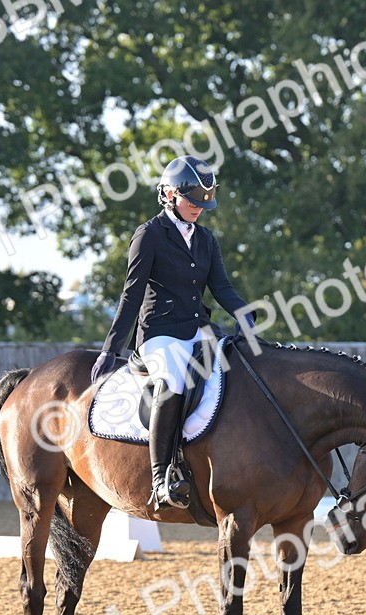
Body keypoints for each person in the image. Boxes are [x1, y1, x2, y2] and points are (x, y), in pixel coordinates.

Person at [90, 155, 255, 511]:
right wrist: (110, 349)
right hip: (160, 332)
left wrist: (244, 314)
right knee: (175, 380)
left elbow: (221, 287)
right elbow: (131, 295)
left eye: (203, 204)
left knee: (239, 366)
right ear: (169, 194)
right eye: (192, 201)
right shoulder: (149, 235)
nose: (198, 209)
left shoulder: (206, 239)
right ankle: (160, 477)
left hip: (198, 329)